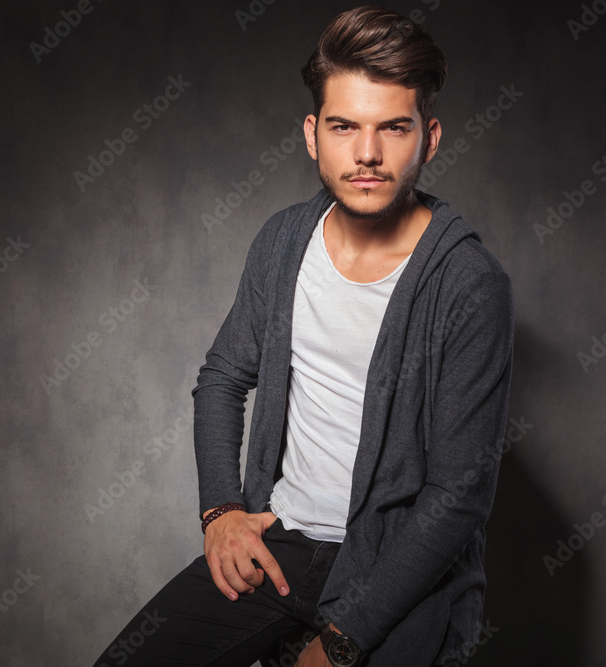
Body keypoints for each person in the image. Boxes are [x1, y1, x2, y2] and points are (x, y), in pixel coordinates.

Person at [93, 6, 514, 666]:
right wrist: (221, 513)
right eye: (345, 126)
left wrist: (341, 642)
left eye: (392, 128)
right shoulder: (283, 241)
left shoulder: (470, 283)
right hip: (281, 547)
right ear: (313, 135)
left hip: (397, 568)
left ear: (428, 139)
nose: (367, 153)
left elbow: (458, 495)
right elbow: (222, 379)